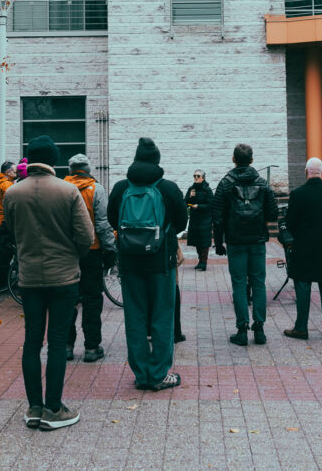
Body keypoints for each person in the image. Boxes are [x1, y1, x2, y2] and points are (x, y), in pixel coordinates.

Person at [4, 137, 93, 430]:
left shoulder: (13, 193)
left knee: (31, 342)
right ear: (54, 159)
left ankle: (34, 407)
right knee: (57, 342)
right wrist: (71, 255)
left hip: (29, 277)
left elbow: (11, 232)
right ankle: (54, 408)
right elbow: (86, 236)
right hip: (63, 276)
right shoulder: (68, 191)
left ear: (29, 159)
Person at [108, 137, 187, 391]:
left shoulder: (121, 188)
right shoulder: (168, 188)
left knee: (135, 318)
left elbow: (112, 219)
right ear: (157, 160)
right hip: (161, 263)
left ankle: (141, 374)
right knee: (162, 318)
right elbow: (182, 223)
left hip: (130, 263)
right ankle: (159, 374)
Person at [212, 143, 279, 347]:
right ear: (251, 160)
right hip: (257, 241)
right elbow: (273, 213)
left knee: (239, 284)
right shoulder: (262, 183)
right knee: (259, 283)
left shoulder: (225, 183)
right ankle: (259, 328)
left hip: (235, 241)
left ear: (233, 159)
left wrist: (219, 242)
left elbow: (218, 216)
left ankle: (242, 329)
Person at [63, 153, 116, 363]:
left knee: (68, 299)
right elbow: (103, 224)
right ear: (89, 170)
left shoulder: (62, 189)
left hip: (67, 253)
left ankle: (66, 346)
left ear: (70, 170)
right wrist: (110, 250)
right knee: (92, 299)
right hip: (91, 252)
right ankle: (92, 347)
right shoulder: (97, 189)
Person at [282, 157, 322, 340]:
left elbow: (290, 222)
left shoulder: (298, 194)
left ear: (306, 171)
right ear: (321, 172)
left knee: (302, 285)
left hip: (304, 245)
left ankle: (301, 328)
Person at [185, 170, 213, 271]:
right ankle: (200, 261)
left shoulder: (207, 190)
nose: (196, 177)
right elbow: (185, 203)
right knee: (197, 241)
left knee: (204, 241)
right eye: (194, 176)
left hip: (205, 219)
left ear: (203, 178)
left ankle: (203, 262)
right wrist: (190, 197)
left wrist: (199, 206)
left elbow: (211, 205)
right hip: (195, 219)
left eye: (198, 176)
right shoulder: (191, 189)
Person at [0, 161, 16, 229]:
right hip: (5, 222)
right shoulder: (7, 184)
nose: (16, 175)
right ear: (8, 172)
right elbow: (10, 205)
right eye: (14, 172)